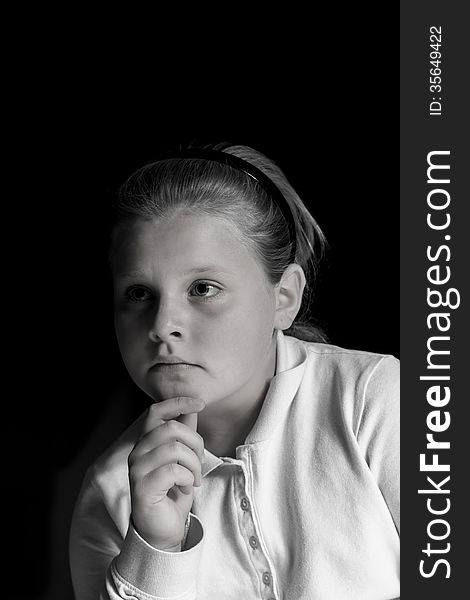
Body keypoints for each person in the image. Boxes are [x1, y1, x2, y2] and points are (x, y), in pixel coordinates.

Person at [69, 142, 400, 600]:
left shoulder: (377, 399)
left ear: (283, 297)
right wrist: (156, 548)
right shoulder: (108, 494)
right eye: (139, 293)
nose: (163, 326)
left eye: (203, 288)